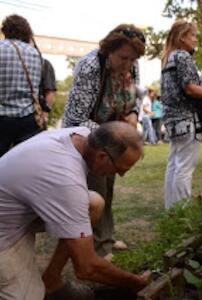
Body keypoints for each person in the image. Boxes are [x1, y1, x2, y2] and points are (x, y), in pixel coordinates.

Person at [0, 121, 150, 300]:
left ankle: (51, 280)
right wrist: (135, 282)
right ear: (102, 157)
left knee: (93, 203)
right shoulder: (66, 180)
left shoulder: (82, 135)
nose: (120, 175)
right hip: (5, 231)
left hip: (16, 207)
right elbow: (86, 267)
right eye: (119, 170)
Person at [62, 24, 145, 258]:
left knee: (108, 189)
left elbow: (136, 96)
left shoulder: (133, 66)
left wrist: (134, 114)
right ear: (109, 50)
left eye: (133, 59)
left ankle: (105, 237)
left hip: (110, 135)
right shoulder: (90, 67)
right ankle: (98, 249)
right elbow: (76, 119)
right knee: (94, 191)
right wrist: (115, 133)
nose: (128, 64)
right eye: (123, 58)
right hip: (85, 137)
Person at [161, 20, 202, 209]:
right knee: (184, 169)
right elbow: (190, 88)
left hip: (173, 121)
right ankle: (181, 213)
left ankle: (171, 211)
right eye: (193, 35)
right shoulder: (182, 56)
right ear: (182, 38)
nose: (195, 39)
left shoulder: (169, 59)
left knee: (174, 165)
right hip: (187, 120)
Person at [0, 14, 42, 157]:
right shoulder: (35, 53)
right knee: (22, 162)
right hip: (28, 119)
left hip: (2, 119)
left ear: (5, 30)